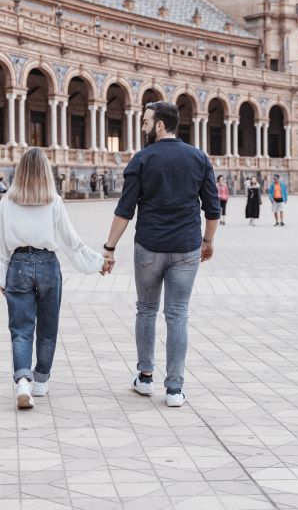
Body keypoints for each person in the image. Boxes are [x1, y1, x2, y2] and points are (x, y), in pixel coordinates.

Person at [101, 101, 219, 408]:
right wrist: (208, 241)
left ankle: (145, 377)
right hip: (186, 248)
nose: (142, 128)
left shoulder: (142, 159)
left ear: (160, 125)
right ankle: (175, 388)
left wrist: (110, 248)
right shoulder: (198, 158)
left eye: (145, 122)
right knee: (178, 314)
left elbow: (124, 210)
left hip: (150, 247)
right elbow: (213, 208)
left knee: (147, 310)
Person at [0, 148, 105, 409]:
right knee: (48, 326)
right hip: (48, 265)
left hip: (17, 265)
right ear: (45, 172)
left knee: (20, 329)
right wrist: (98, 262)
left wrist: (1, 277)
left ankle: (22, 381)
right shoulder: (53, 200)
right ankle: (40, 380)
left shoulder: (7, 201)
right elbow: (71, 242)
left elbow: (0, 244)